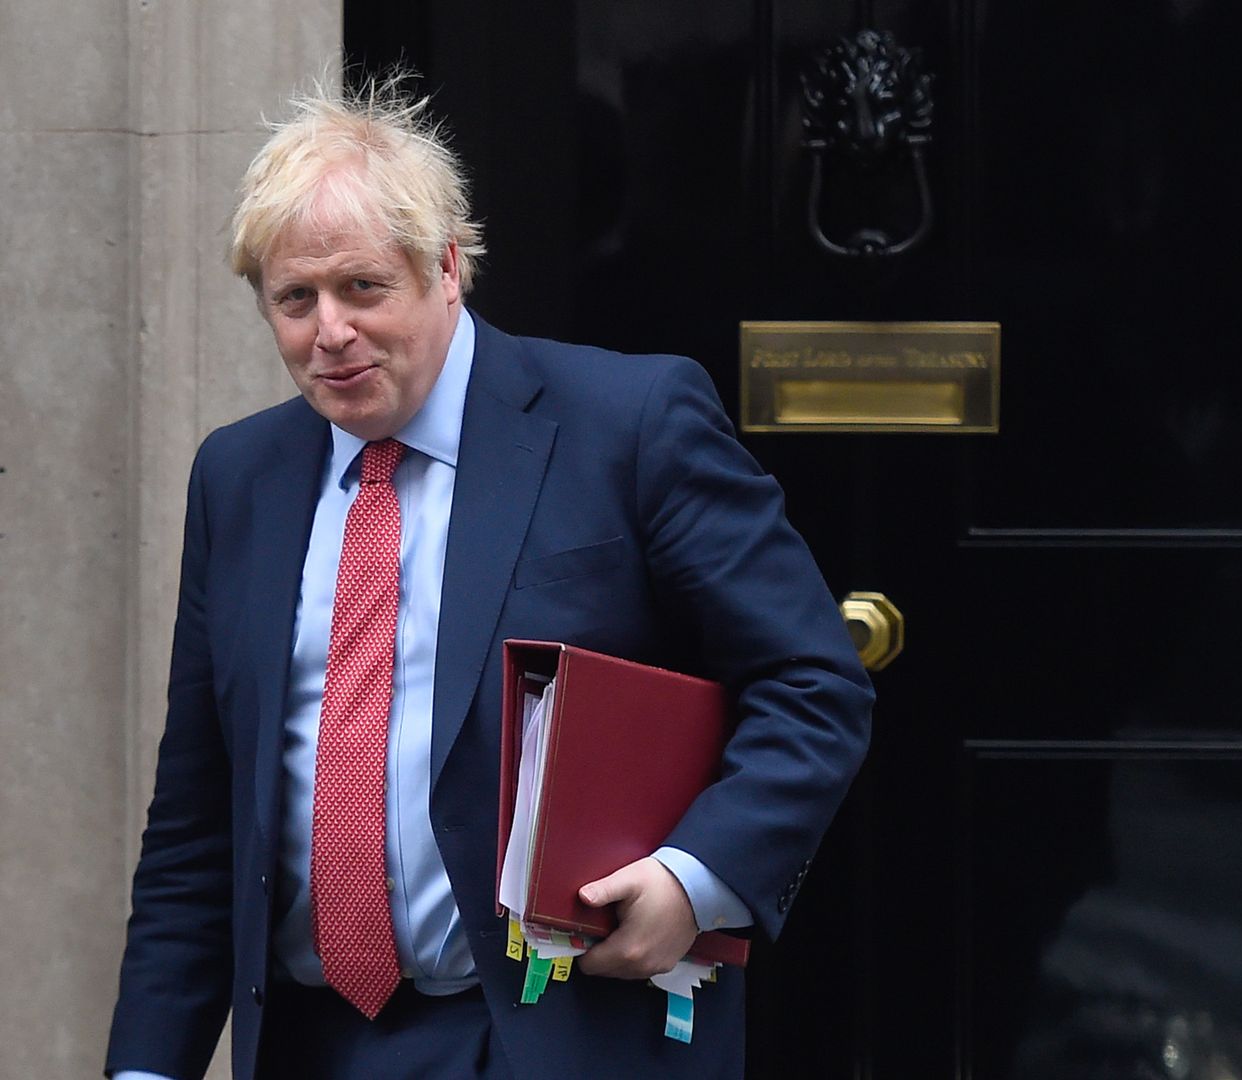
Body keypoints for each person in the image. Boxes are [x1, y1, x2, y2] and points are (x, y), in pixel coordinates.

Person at [103, 76, 872, 1080]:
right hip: (308, 1042)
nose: (328, 330)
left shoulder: (629, 425)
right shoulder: (239, 478)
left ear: (448, 269)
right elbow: (199, 821)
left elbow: (813, 686)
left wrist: (696, 879)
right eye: (295, 298)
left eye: (362, 288)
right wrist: (147, 1066)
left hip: (556, 1035)